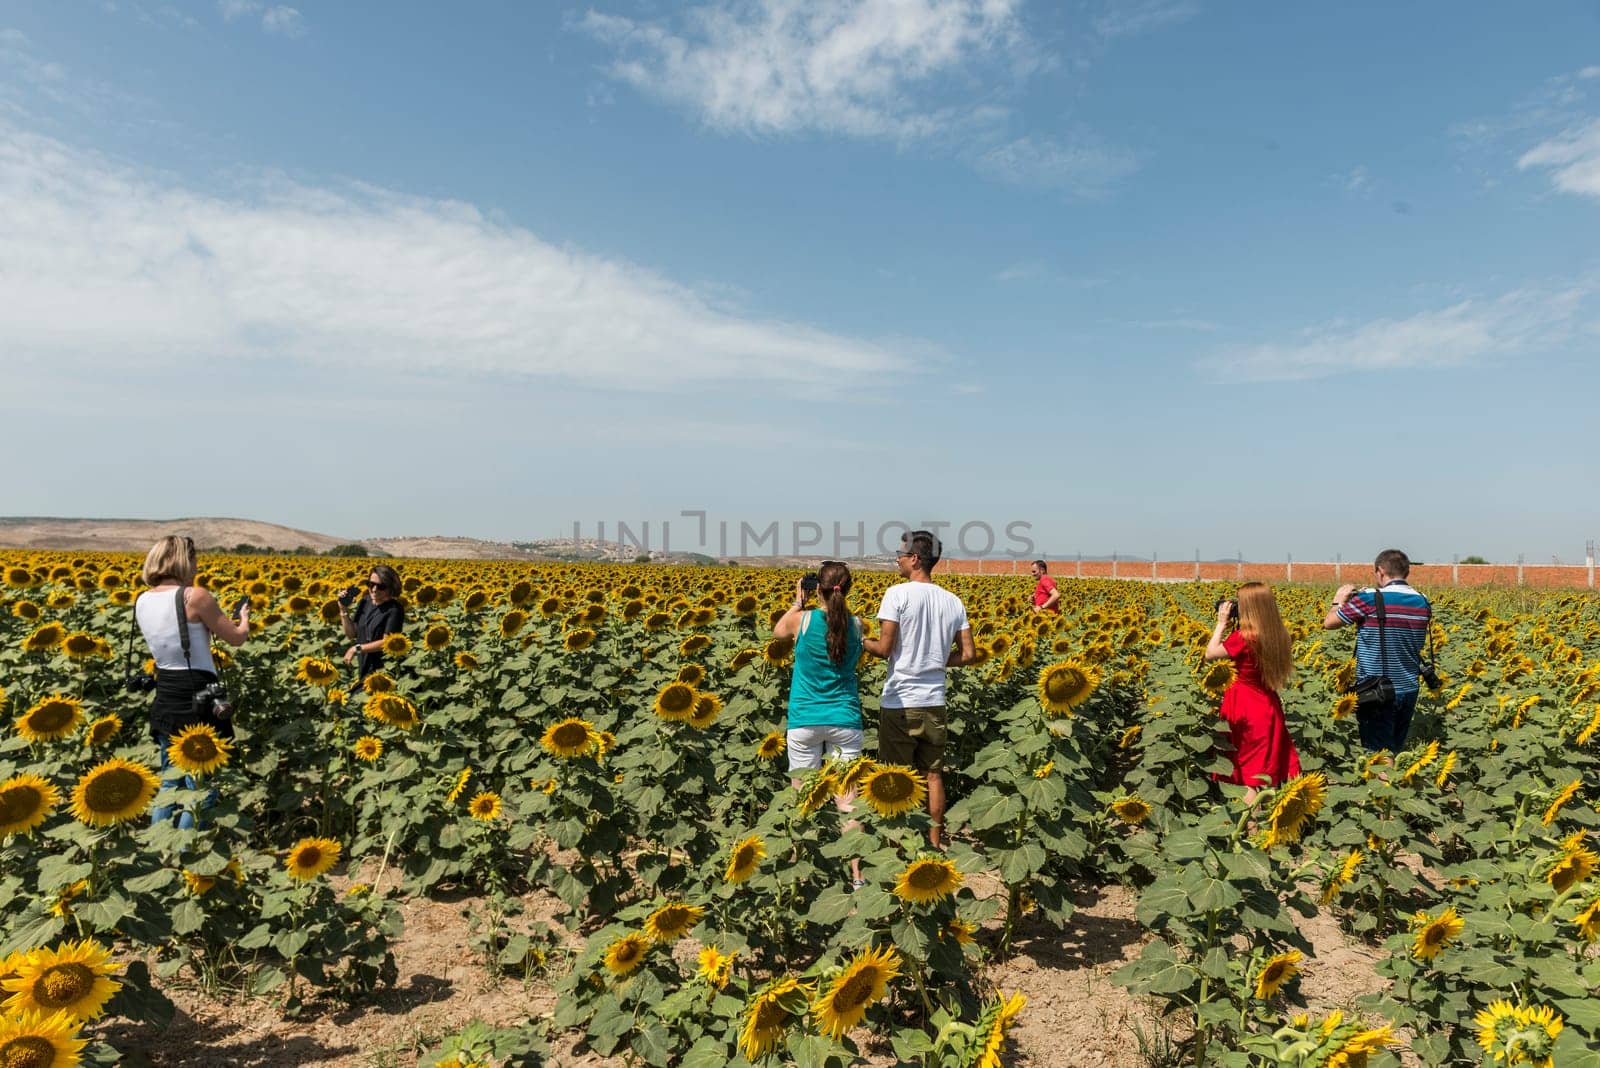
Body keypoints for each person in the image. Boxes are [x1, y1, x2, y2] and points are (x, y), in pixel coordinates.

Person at [862, 530, 976, 848]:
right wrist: (937, 661)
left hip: (900, 701)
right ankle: (934, 842)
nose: (896, 559)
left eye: (899, 554)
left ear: (914, 558)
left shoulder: (897, 594)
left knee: (896, 776)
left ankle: (897, 845)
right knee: (933, 774)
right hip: (935, 701)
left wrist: (861, 642)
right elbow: (968, 655)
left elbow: (885, 649)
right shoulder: (953, 601)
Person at [136, 535, 251, 828]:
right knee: (200, 782)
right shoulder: (195, 596)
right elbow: (236, 638)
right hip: (198, 692)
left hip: (166, 690)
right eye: (195, 558)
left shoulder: (143, 599)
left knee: (169, 781)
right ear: (183, 560)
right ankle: (188, 852)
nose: (198, 565)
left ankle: (161, 847)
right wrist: (245, 619)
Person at [774, 560, 865, 887]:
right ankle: (857, 878)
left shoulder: (803, 620)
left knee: (803, 799)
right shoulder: (857, 626)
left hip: (805, 719)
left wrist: (798, 601)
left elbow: (777, 632)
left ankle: (800, 873)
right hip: (844, 719)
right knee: (849, 803)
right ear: (848, 588)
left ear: (818, 589)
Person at [1323, 549, 1432, 753]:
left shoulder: (1369, 599)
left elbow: (1329, 623)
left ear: (1380, 571)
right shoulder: (1422, 601)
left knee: (1378, 756)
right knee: (1394, 749)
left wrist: (1339, 599)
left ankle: (1382, 785)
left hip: (1376, 690)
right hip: (1409, 687)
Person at [1204, 583, 1301, 797]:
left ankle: (1251, 828)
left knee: (1249, 776)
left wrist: (1221, 624)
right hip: (1269, 706)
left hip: (1244, 707)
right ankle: (1269, 827)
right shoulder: (1280, 635)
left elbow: (1210, 654)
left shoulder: (1243, 637)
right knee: (1267, 770)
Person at [340, 565, 405, 679]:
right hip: (364, 665)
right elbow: (352, 634)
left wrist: (356, 649)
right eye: (371, 584)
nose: (374, 589)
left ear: (391, 587)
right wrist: (343, 609)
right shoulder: (365, 601)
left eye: (381, 586)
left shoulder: (395, 609)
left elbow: (387, 642)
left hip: (384, 670)